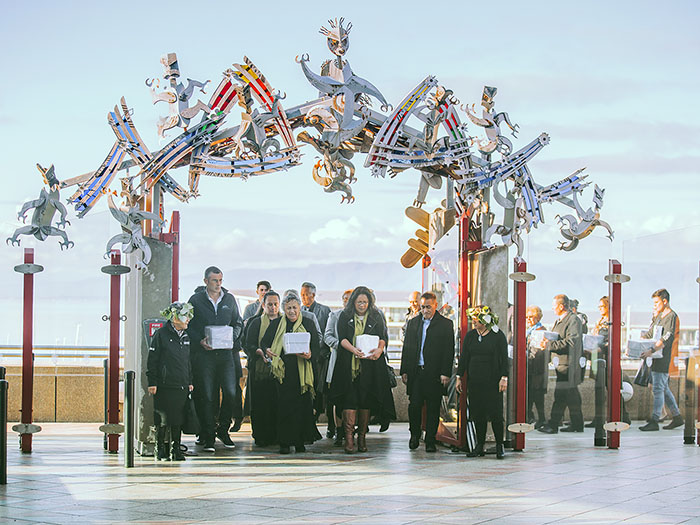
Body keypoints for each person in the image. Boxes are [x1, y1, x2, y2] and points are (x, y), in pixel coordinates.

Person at [330, 286, 395, 453]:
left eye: (365, 302)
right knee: (349, 400)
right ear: (354, 302)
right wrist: (353, 350)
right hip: (348, 365)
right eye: (359, 302)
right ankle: (349, 439)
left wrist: (379, 350)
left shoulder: (376, 316)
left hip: (370, 366)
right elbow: (342, 338)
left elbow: (382, 337)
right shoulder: (344, 316)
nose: (362, 305)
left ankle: (362, 438)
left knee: (365, 400)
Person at [187, 266, 244, 452]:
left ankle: (223, 429)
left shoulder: (229, 299)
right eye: (214, 280)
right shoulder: (195, 300)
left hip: (226, 354)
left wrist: (232, 336)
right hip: (205, 355)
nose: (218, 284)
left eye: (220, 280)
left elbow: (237, 322)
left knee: (231, 392)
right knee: (208, 396)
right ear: (206, 281)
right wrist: (199, 341)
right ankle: (208, 434)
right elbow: (189, 326)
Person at [259, 293, 322, 453]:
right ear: (284, 309)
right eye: (288, 308)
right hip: (284, 372)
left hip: (302, 372)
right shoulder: (277, 323)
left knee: (302, 407)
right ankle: (285, 442)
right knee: (284, 407)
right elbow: (264, 342)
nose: (292, 311)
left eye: (294, 307)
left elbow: (316, 346)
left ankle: (300, 441)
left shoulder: (308, 323)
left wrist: (310, 354)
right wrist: (268, 350)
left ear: (299, 307)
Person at [400, 292, 454, 452]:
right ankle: (414, 435)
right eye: (423, 307)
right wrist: (404, 370)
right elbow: (407, 349)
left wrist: (446, 372)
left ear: (435, 305)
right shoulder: (413, 323)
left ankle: (430, 439)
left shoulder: (445, 324)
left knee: (433, 407)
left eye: (428, 307)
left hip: (435, 373)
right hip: (416, 372)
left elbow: (448, 351)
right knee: (414, 405)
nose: (425, 310)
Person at [456, 305, 507, 459]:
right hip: (475, 381)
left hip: (492, 381)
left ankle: (499, 445)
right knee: (478, 414)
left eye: (476, 318)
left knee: (496, 413)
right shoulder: (471, 336)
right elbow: (464, 358)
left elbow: (504, 359)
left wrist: (504, 378)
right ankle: (480, 445)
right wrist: (459, 376)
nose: (474, 321)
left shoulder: (497, 335)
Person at [147, 302, 194, 461]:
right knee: (162, 418)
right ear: (175, 318)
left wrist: (189, 381)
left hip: (181, 383)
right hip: (164, 384)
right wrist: (152, 382)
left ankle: (176, 449)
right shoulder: (161, 335)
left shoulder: (187, 336)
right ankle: (160, 448)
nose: (188, 319)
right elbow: (153, 360)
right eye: (185, 316)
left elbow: (188, 361)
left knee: (178, 418)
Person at [537, 294, 584, 434]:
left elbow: (572, 342)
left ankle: (553, 424)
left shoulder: (573, 320)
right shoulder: (560, 321)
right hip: (561, 364)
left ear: (561, 306)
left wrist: (549, 345)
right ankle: (577, 424)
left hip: (568, 365)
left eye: (554, 306)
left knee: (560, 395)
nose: (552, 309)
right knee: (571, 395)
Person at [639, 289, 683, 431]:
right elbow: (651, 334)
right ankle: (677, 417)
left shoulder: (671, 316)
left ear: (665, 301)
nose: (655, 305)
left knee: (658, 388)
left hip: (663, 357)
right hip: (655, 357)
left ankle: (655, 419)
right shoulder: (659, 316)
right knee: (663, 388)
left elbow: (666, 338)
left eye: (657, 302)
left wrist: (651, 350)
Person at [243, 290, 281, 446]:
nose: (272, 308)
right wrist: (258, 351)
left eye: (275, 304)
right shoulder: (256, 322)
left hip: (279, 371)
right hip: (259, 370)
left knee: (277, 405)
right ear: (263, 305)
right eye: (269, 304)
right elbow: (247, 345)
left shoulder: (284, 322)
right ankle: (261, 436)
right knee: (260, 405)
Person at [300, 282, 333, 434]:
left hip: (321, 358)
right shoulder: (298, 310)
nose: (304, 297)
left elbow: (328, 333)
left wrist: (321, 353)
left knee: (322, 392)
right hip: (303, 358)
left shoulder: (325, 311)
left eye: (306, 294)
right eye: (302, 294)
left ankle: (329, 424)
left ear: (313, 295)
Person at [323, 289, 353, 446]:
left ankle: (351, 430)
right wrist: (340, 347)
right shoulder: (334, 315)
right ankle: (339, 431)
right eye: (346, 299)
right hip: (338, 359)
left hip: (355, 361)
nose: (348, 302)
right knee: (337, 398)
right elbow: (327, 336)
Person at [526, 305, 547, 429]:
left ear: (538, 317)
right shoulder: (529, 330)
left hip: (537, 369)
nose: (528, 319)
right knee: (530, 394)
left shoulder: (540, 330)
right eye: (527, 317)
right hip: (530, 367)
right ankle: (529, 416)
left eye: (531, 317)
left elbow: (538, 351)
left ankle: (541, 418)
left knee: (537, 395)